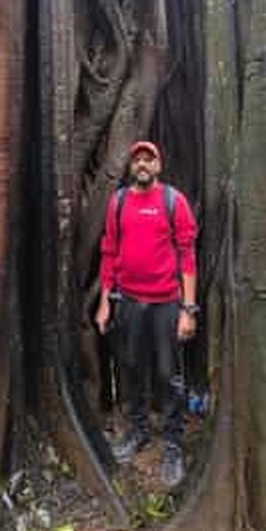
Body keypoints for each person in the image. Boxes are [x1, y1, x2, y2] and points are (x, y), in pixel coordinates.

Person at [95, 140, 198, 488]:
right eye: (137, 159)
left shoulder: (174, 202)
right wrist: (105, 301)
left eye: (148, 159)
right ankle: (138, 431)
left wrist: (188, 309)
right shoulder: (118, 201)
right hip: (129, 302)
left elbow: (187, 256)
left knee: (169, 374)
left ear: (158, 166)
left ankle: (172, 444)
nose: (142, 164)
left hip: (166, 303)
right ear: (130, 166)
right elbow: (109, 251)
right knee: (133, 368)